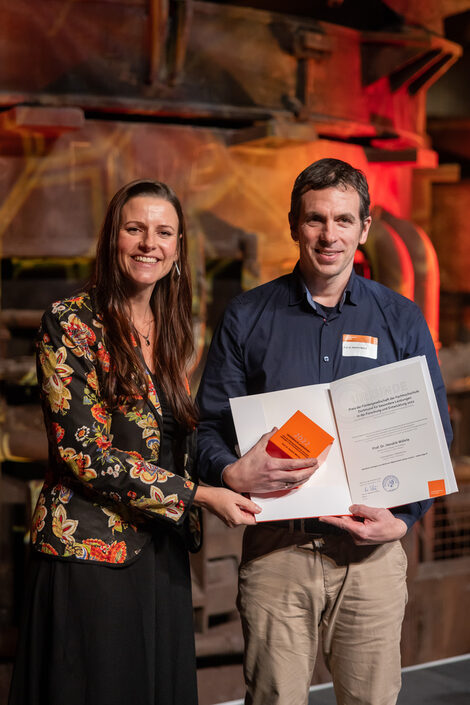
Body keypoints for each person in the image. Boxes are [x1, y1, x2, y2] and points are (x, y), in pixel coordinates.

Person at [196, 158, 453, 705]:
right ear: (294, 225)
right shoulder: (247, 316)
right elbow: (207, 431)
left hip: (371, 561)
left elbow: (436, 436)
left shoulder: (400, 319)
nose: (328, 234)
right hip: (277, 555)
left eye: (342, 220)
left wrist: (404, 520)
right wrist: (229, 470)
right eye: (315, 219)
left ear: (364, 228)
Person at [8, 179, 260, 705]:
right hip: (91, 551)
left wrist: (230, 472)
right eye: (135, 229)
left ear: (178, 247)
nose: (150, 243)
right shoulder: (71, 321)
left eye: (164, 232)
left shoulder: (171, 326)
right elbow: (87, 454)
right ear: (112, 238)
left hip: (160, 550)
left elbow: (176, 438)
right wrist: (199, 496)